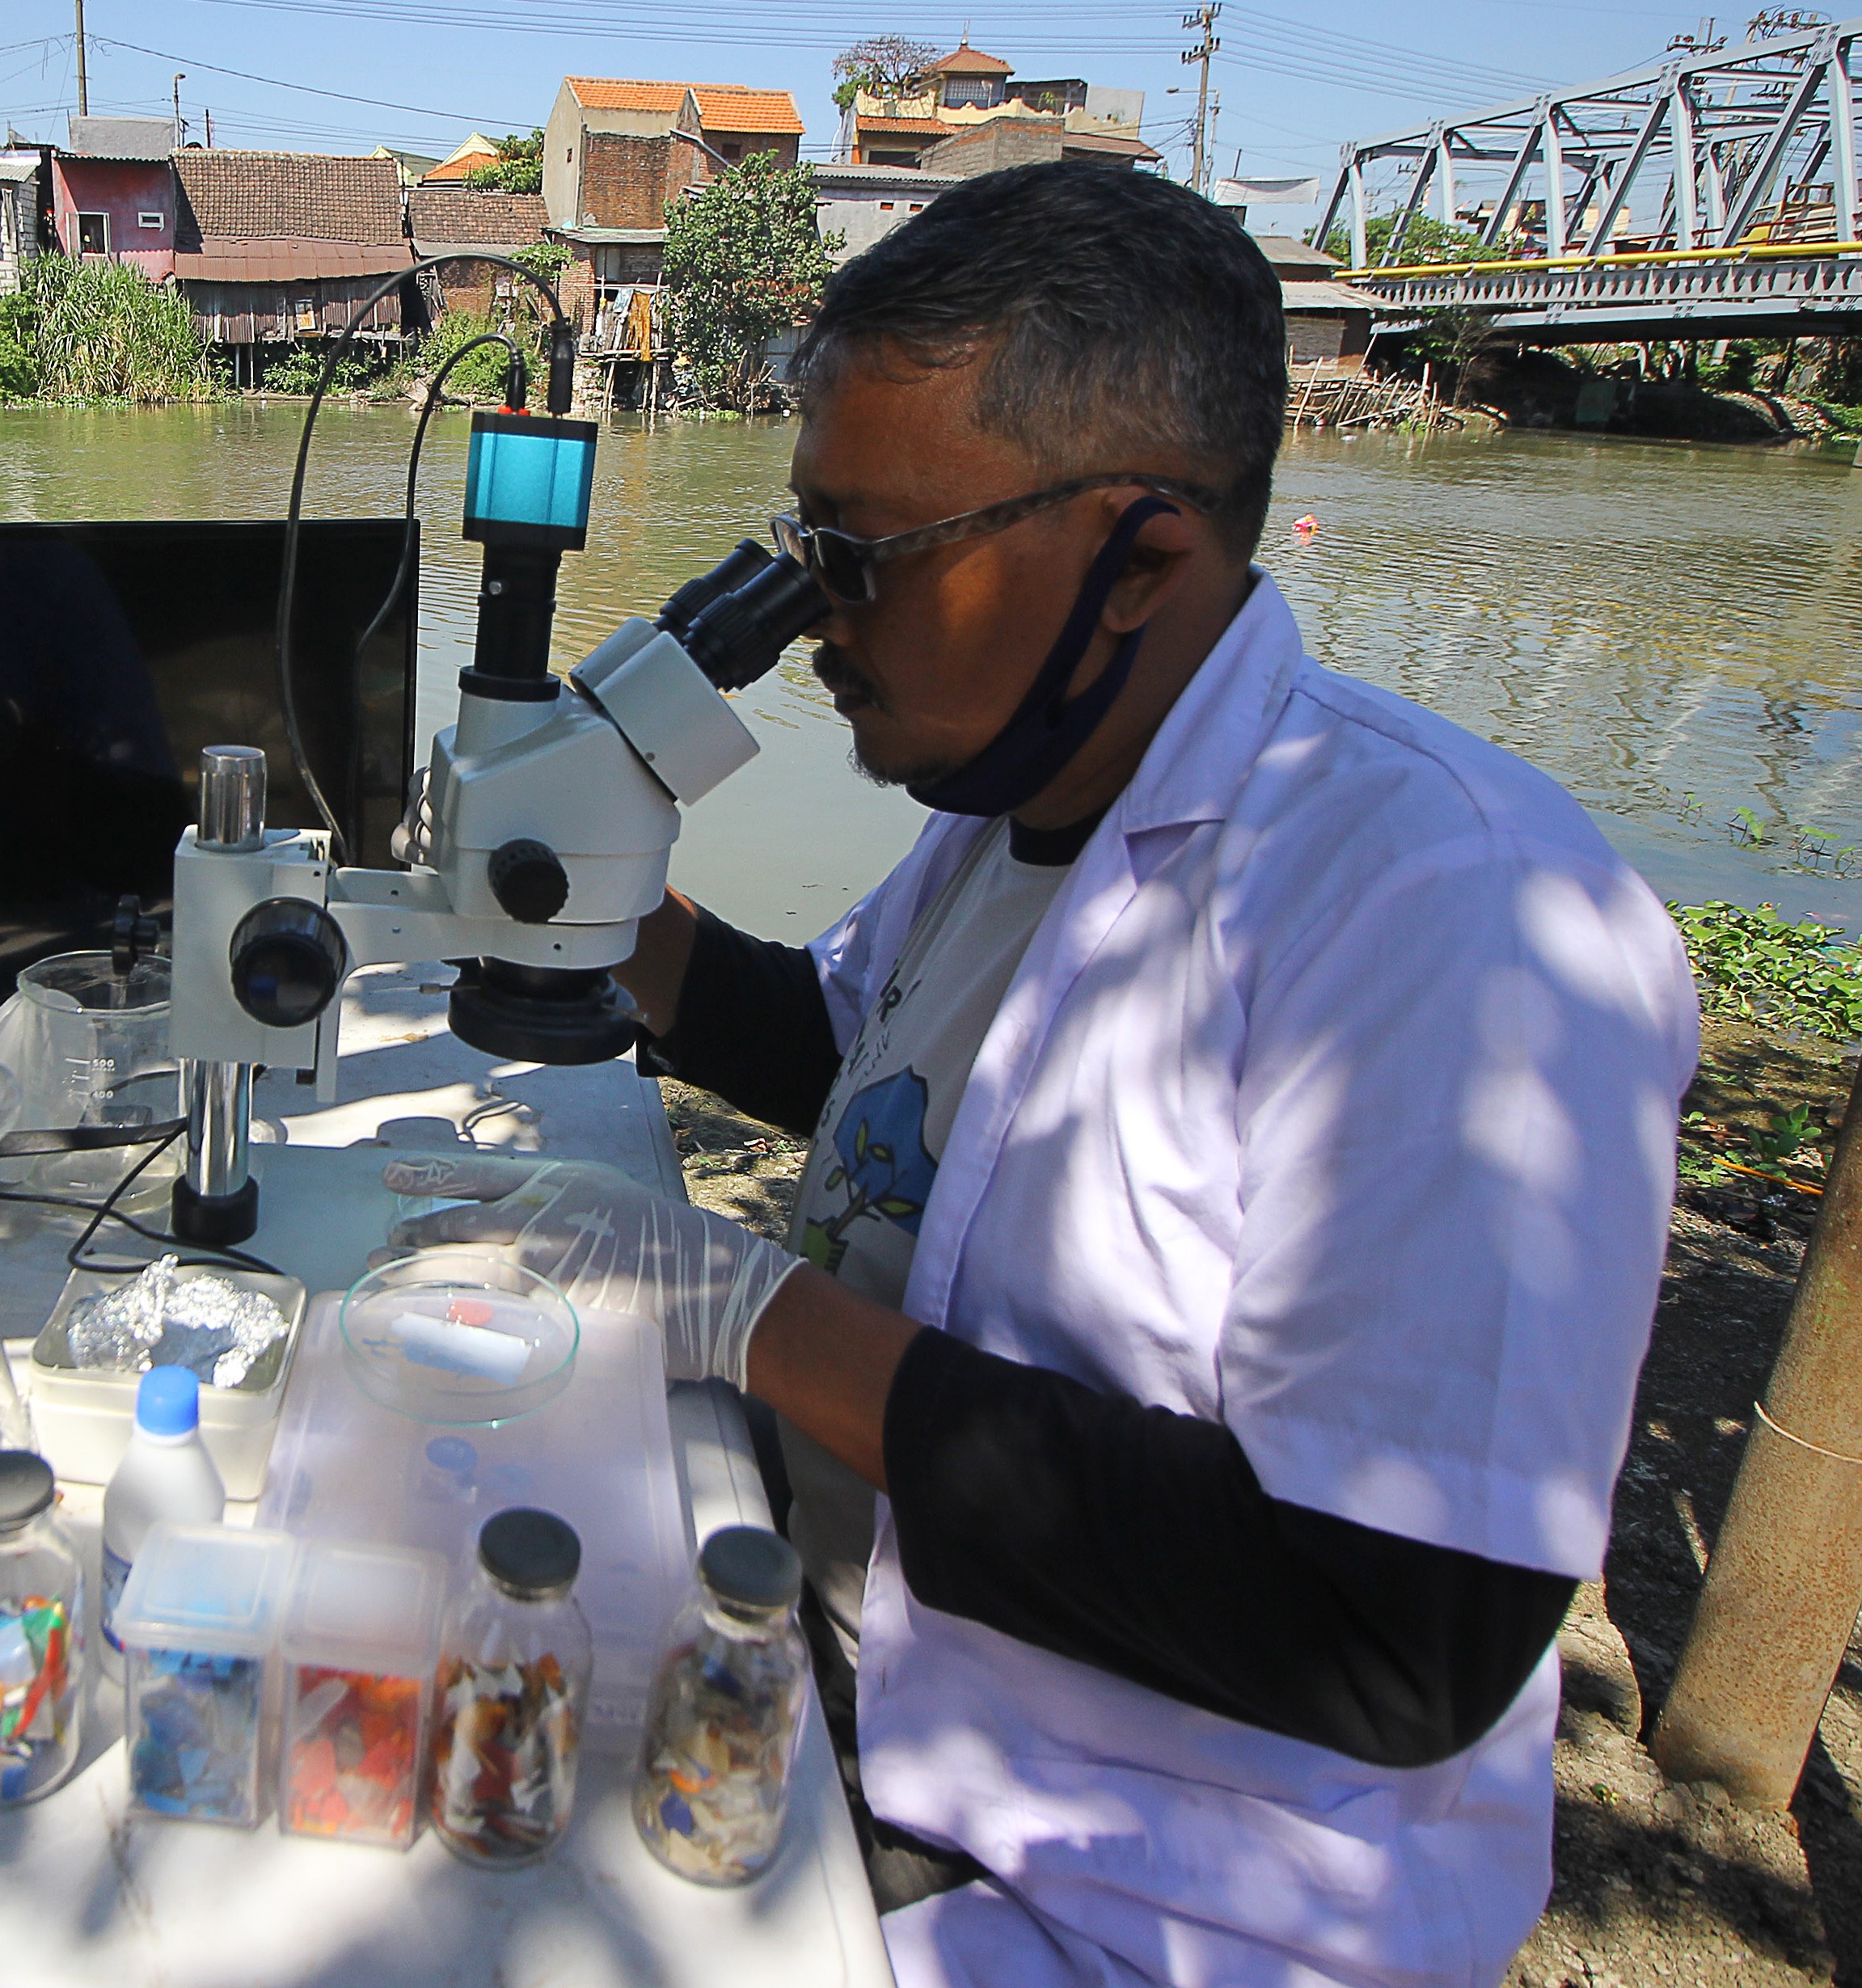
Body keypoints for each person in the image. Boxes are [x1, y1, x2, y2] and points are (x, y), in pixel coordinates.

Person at [387, 163, 1695, 1988]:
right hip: (834, 1692)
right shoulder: (1019, 801)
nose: (810, 617)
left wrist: (746, 1314)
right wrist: (594, 910)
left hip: (1136, 1902)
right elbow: (872, 1078)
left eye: (859, 559)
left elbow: (1395, 1633)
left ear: (1139, 561)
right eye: (795, 545)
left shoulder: (1455, 917)